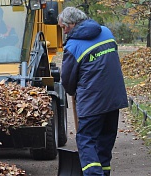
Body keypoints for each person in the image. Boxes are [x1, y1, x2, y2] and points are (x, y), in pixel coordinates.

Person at [59, 7, 128, 176]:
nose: (63, 31)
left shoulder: (73, 45)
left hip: (92, 102)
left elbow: (67, 79)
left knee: (86, 140)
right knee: (104, 142)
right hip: (114, 98)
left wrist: (72, 90)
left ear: (72, 24)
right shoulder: (106, 33)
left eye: (63, 27)